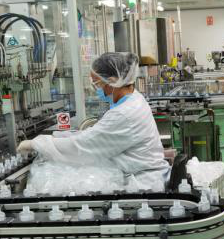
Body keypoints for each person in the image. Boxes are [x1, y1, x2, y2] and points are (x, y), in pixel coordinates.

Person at [17, 52, 169, 189]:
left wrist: (38, 144)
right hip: (139, 175)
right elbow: (93, 136)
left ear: (112, 81)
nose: (95, 88)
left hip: (143, 184)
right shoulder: (133, 99)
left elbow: (83, 147)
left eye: (97, 83)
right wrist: (57, 137)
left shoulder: (124, 114)